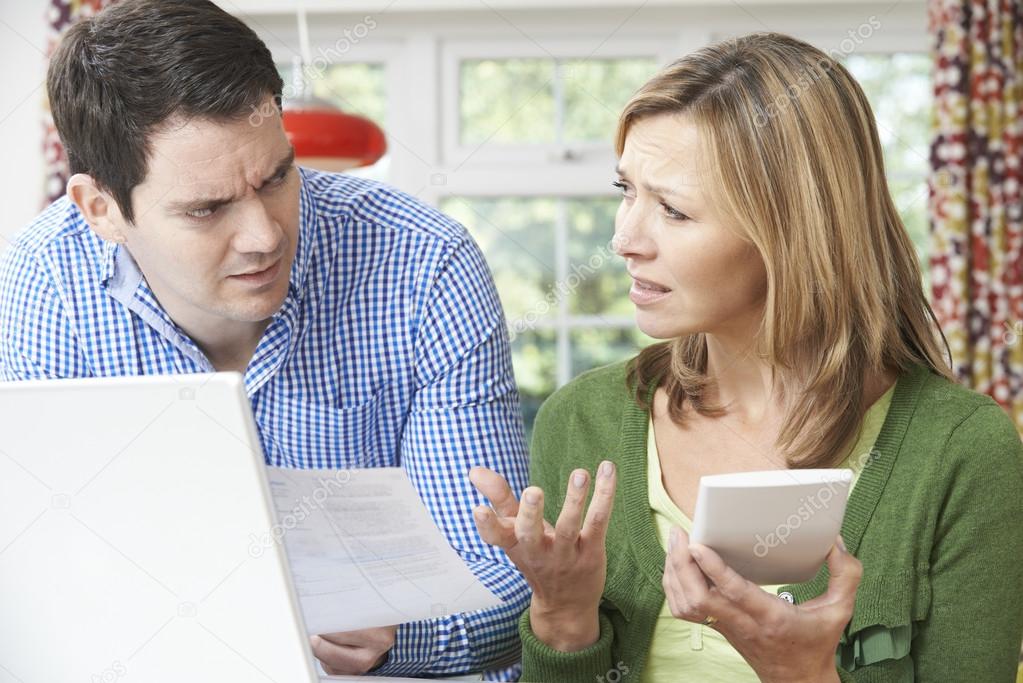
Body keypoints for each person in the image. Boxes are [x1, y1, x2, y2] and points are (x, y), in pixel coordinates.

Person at [470, 32, 1023, 682]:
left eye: (673, 211)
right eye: (626, 190)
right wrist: (563, 617)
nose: (623, 239)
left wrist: (802, 673)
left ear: (793, 231)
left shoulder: (961, 452)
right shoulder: (581, 421)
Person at [0, 0, 529, 679]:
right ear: (101, 209)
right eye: (207, 208)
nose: (264, 236)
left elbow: (508, 578)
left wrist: (401, 637)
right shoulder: (47, 285)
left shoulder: (422, 262)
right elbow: (50, 570)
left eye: (277, 177)